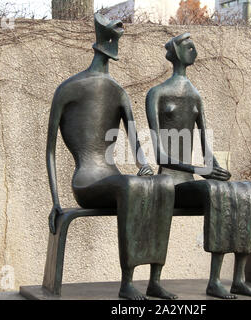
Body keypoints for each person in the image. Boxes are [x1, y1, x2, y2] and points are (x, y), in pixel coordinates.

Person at [46, 14, 177, 300]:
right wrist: (56, 201)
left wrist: (144, 165)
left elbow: (136, 145)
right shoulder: (68, 89)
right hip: (86, 182)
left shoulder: (119, 93)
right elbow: (50, 151)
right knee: (129, 186)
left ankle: (155, 278)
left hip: (113, 177)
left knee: (164, 185)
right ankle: (127, 282)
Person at [146, 33, 251, 299]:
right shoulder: (157, 93)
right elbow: (160, 156)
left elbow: (206, 150)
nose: (195, 51)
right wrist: (202, 171)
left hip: (190, 180)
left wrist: (216, 167)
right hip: (170, 182)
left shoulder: (195, 96)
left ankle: (237, 278)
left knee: (248, 192)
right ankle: (209, 282)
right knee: (217, 193)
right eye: (189, 47)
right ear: (177, 52)